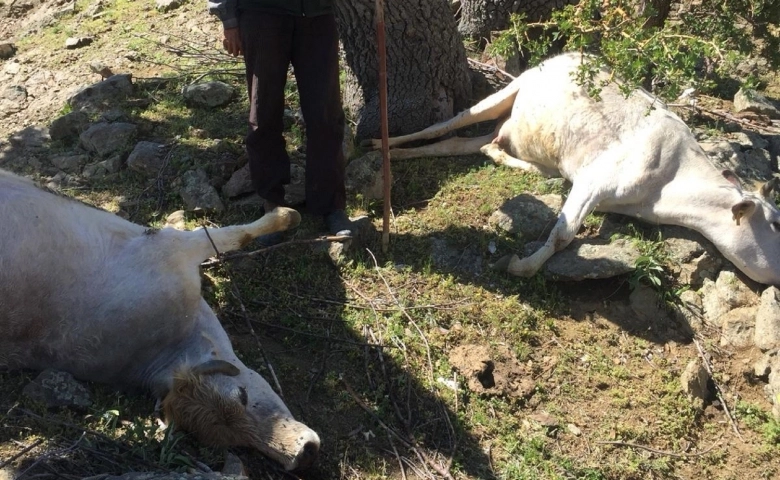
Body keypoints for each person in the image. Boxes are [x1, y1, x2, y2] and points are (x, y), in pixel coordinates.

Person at [207, 0, 353, 239]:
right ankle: (272, 205)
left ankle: (331, 205)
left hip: (318, 14)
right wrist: (229, 20)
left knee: (326, 114)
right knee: (264, 113)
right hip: (262, 13)